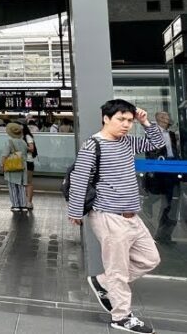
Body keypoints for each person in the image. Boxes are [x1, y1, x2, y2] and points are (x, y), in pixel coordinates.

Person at [68, 101, 165, 334]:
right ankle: (121, 317)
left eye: (129, 121)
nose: (126, 125)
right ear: (106, 119)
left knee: (150, 259)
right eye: (121, 119)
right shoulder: (93, 145)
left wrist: (146, 122)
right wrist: (75, 211)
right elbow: (80, 179)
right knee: (118, 271)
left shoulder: (127, 142)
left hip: (132, 216)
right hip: (108, 216)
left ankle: (103, 282)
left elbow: (157, 143)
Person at [145, 111, 180, 244]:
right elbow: (150, 152)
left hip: (173, 168)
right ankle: (162, 233)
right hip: (161, 169)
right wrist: (153, 168)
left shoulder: (171, 134)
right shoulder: (153, 133)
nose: (167, 119)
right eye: (164, 117)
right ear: (158, 119)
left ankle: (164, 234)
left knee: (171, 202)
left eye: (167, 116)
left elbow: (174, 150)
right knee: (165, 200)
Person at [3, 123, 30, 212]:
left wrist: (2, 165)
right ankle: (23, 205)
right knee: (21, 187)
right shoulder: (23, 142)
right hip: (22, 166)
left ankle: (16, 205)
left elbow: (5, 155)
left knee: (13, 186)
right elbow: (25, 154)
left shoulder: (9, 142)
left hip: (12, 166)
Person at [21, 119, 38, 209]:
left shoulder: (27, 136)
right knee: (23, 183)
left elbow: (31, 148)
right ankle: (25, 201)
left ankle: (29, 202)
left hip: (28, 161)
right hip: (22, 161)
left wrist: (22, 146)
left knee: (28, 182)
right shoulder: (20, 136)